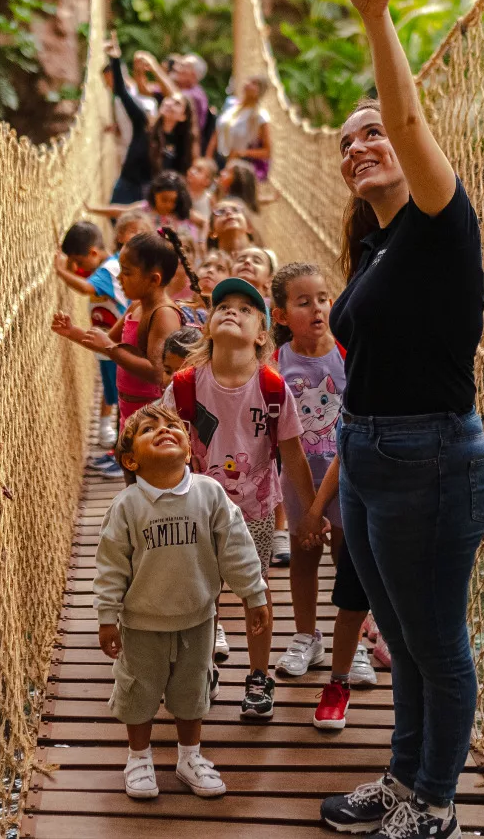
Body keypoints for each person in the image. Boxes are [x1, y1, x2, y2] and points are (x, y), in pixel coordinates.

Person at [317, 0, 484, 839]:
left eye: (373, 134)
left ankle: (435, 802)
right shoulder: (377, 246)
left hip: (430, 454)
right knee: (404, 639)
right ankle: (402, 777)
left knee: (436, 641)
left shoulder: (438, 217)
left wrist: (376, 21)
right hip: (374, 456)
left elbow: (412, 120)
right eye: (348, 144)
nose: (361, 146)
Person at [95, 404, 273, 800]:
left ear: (189, 450)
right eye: (148, 429)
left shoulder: (209, 493)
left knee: (192, 693)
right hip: (141, 623)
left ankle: (189, 757)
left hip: (198, 617)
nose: (164, 430)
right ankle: (138, 757)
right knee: (138, 691)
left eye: (173, 426)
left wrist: (253, 592)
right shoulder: (127, 506)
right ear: (130, 459)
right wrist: (108, 616)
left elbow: (236, 547)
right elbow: (110, 566)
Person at [161, 277, 312, 723]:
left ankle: (259, 675)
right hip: (197, 510)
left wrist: (311, 512)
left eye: (246, 309)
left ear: (262, 334)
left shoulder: (271, 388)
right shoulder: (186, 385)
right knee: (199, 592)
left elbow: (293, 455)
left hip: (256, 513)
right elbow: (164, 440)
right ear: (208, 325)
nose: (232, 311)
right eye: (223, 305)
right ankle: (200, 665)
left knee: (256, 592)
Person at [267, 264, 379, 729]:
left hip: (347, 478)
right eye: (303, 302)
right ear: (281, 314)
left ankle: (347, 650)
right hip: (298, 479)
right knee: (303, 555)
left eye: (323, 298)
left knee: (347, 559)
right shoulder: (278, 364)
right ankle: (306, 636)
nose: (317, 309)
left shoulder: (350, 356)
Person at [51, 230, 193, 431]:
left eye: (127, 272)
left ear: (154, 279)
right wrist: (71, 331)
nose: (119, 278)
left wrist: (110, 348)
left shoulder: (163, 315)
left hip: (152, 415)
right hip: (129, 407)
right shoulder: (136, 305)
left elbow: (157, 372)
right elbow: (106, 341)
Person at [56, 221, 127, 470]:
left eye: (79, 260)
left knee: (122, 398)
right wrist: (70, 262)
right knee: (115, 394)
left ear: (93, 253)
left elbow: (84, 286)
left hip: (113, 347)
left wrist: (60, 270)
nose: (77, 267)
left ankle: (122, 452)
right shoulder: (107, 264)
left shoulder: (107, 271)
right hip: (109, 346)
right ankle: (117, 447)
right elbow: (82, 274)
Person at [107, 38, 158, 205]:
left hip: (148, 187)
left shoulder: (172, 137)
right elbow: (121, 92)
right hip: (127, 181)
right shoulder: (142, 122)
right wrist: (115, 59)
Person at [217, 76, 273, 179]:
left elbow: (267, 152)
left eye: (255, 84)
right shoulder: (232, 108)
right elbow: (217, 133)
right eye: (249, 81)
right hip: (219, 159)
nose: (248, 84)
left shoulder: (260, 116)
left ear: (260, 91)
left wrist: (241, 153)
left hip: (238, 165)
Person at [187, 157, 218, 223]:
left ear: (207, 181)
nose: (192, 171)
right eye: (192, 167)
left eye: (199, 170)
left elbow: (214, 220)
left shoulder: (209, 198)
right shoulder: (181, 192)